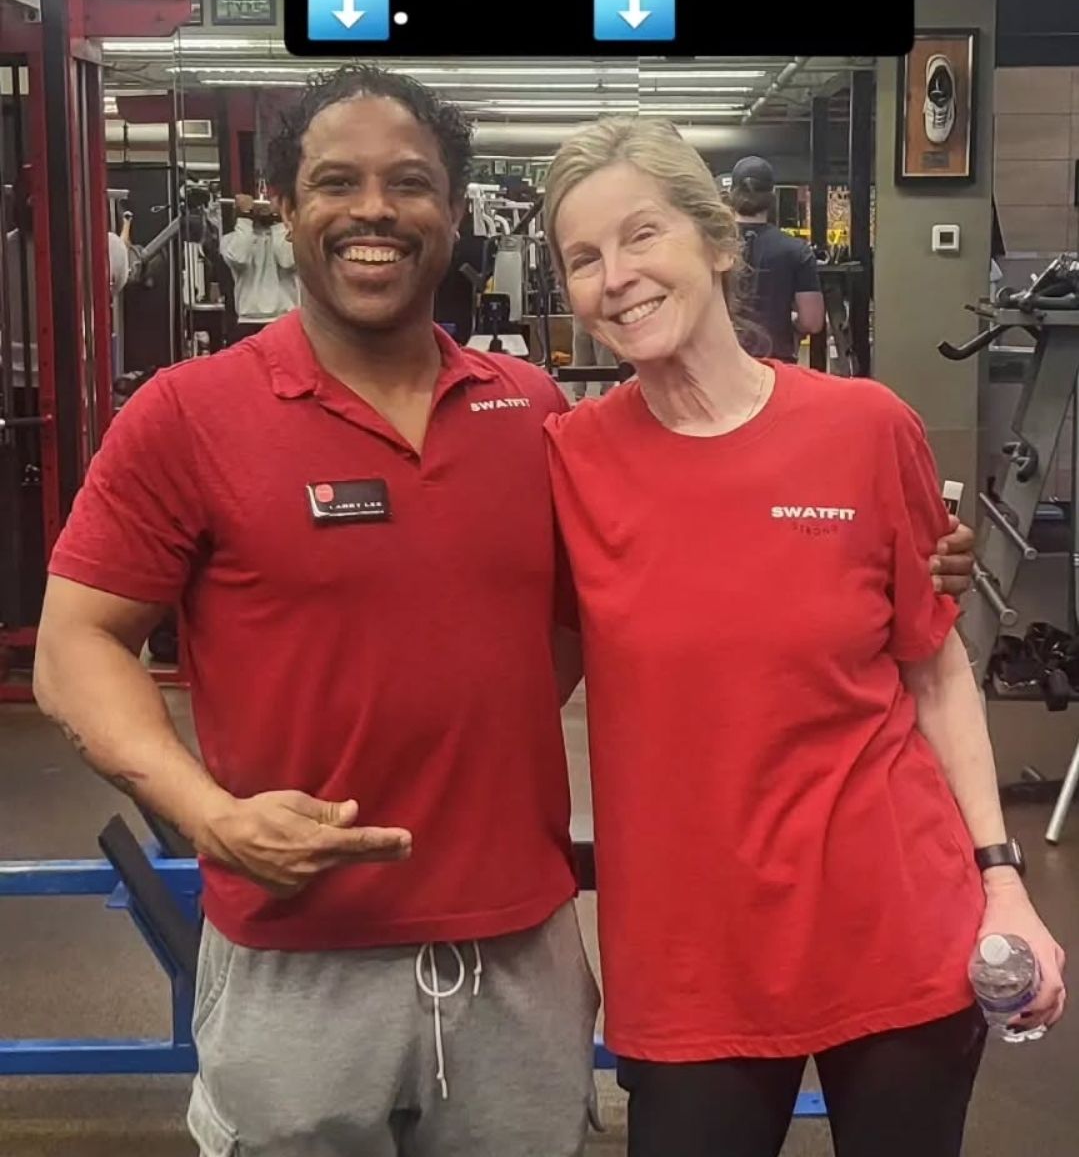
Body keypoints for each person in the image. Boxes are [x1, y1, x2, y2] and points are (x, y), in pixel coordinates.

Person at [31, 67, 976, 1157]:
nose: (374, 210)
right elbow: (74, 646)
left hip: (517, 960)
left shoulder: (528, 417)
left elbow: (638, 588)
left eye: (410, 184)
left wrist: (898, 547)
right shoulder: (188, 416)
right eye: (335, 182)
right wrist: (208, 816)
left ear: (453, 215)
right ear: (284, 208)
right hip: (300, 951)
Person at [541, 116, 1065, 1157]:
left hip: (893, 920)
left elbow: (933, 671)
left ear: (719, 243)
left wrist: (1001, 878)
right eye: (583, 259)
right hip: (690, 957)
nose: (616, 277)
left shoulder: (865, 429)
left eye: (641, 236)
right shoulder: (563, 462)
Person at [728, 154, 824, 362]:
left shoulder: (711, 247)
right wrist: (792, 325)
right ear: (772, 195)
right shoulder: (796, 250)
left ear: (731, 193)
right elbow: (812, 321)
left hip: (721, 364)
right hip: (775, 365)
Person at [220, 191, 299, 340]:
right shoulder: (229, 240)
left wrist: (279, 219)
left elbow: (287, 260)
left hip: (285, 319)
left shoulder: (290, 239)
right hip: (248, 321)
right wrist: (245, 216)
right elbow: (240, 258)